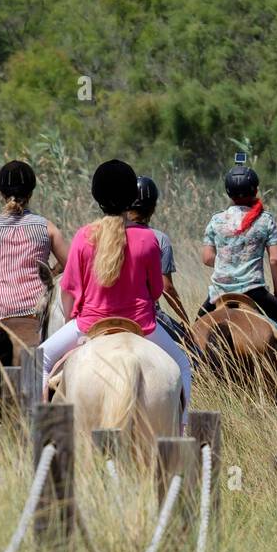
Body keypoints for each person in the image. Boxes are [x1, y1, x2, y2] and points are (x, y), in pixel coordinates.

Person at [40, 159, 194, 408]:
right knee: (183, 365)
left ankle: (42, 430)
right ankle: (184, 427)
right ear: (130, 198)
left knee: (40, 359)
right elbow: (156, 291)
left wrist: (72, 320)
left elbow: (68, 292)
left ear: (97, 197)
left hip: (90, 323)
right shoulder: (148, 239)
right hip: (143, 325)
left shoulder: (83, 236)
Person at [198, 164, 277, 343]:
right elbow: (276, 259)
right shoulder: (265, 219)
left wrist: (229, 261)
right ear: (255, 190)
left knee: (192, 336)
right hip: (254, 292)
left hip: (219, 292)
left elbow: (207, 258)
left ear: (228, 192)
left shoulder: (216, 220)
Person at [0, 160, 68, 341]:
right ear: (31, 192)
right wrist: (51, 273)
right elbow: (71, 265)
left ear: (1, 193)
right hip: (35, 313)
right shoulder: (47, 228)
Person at [125, 175, 194, 399]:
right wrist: (184, 319)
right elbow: (164, 288)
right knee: (192, 358)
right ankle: (184, 420)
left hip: (107, 312)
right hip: (147, 314)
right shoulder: (159, 239)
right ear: (153, 207)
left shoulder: (108, 233)